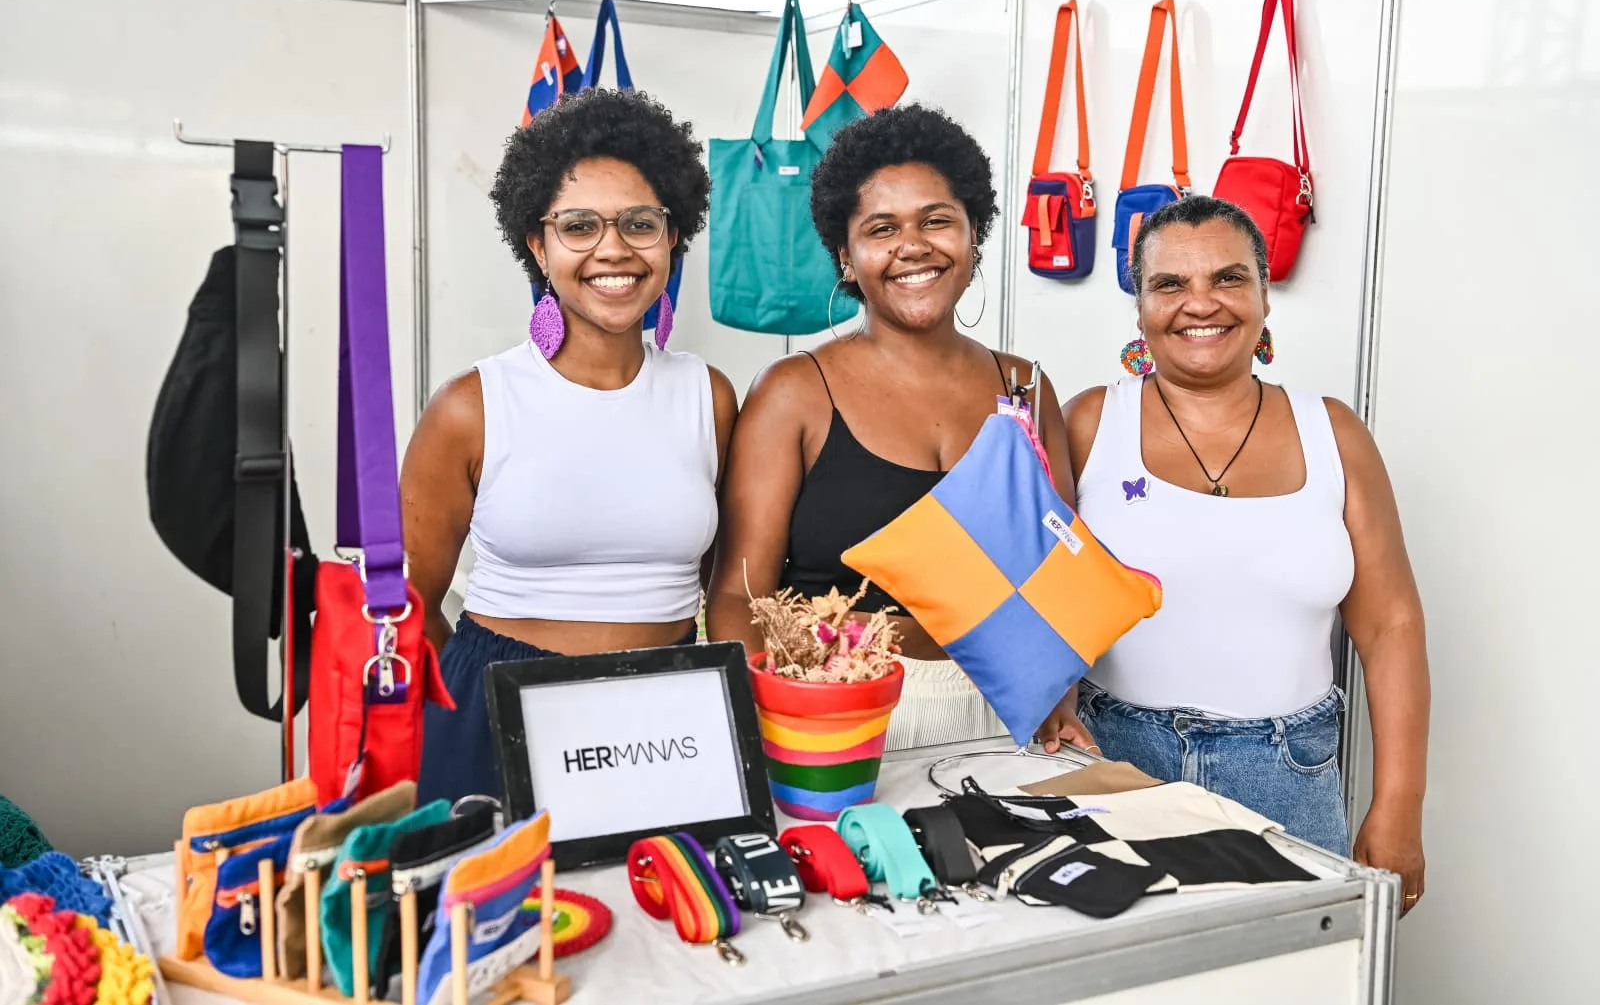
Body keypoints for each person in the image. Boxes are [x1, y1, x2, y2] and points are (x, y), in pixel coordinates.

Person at [1062, 195, 1429, 910]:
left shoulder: (1335, 435)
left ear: (1265, 295)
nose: (1200, 302)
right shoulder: (1088, 423)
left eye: (1228, 278)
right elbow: (1028, 594)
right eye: (1169, 283)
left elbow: (1391, 629)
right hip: (1117, 766)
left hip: (1290, 776)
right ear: (1139, 308)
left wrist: (1400, 805)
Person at [707, 104, 1093, 754]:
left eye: (936, 220)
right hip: (835, 703)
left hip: (999, 711)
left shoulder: (1024, 387)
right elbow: (736, 595)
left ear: (973, 235)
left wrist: (1056, 698)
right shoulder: (794, 393)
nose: (913, 246)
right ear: (846, 257)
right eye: (882, 228)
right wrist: (767, 727)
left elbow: (1057, 582)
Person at [402, 89, 737, 804]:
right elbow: (413, 606)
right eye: (578, 225)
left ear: (672, 236)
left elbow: (720, 581)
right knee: (507, 914)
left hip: (667, 715)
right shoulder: (471, 406)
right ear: (537, 242)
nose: (612, 249)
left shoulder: (708, 397)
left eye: (640, 224)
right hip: (499, 712)